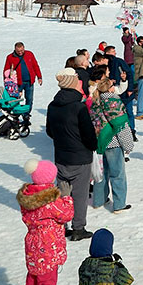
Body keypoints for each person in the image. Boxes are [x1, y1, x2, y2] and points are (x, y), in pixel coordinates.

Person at [18, 159, 74, 285]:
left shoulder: (28, 197)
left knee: (33, 280)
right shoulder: (49, 200)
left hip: (33, 245)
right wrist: (66, 198)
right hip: (48, 247)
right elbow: (66, 215)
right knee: (46, 284)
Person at [46, 68, 97, 241]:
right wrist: (91, 145)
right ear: (72, 83)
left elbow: (49, 131)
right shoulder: (79, 107)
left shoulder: (53, 106)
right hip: (80, 158)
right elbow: (89, 136)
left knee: (62, 192)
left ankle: (62, 225)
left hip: (61, 156)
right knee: (80, 195)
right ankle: (78, 228)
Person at [88, 67, 132, 214]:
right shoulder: (113, 101)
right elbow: (121, 125)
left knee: (101, 173)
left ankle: (99, 200)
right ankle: (119, 204)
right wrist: (128, 145)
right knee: (117, 174)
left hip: (100, 142)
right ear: (110, 87)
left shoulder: (95, 100)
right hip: (113, 143)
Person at [4, 42, 43, 111]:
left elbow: (35, 66)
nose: (20, 53)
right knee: (15, 100)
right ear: (15, 50)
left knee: (29, 99)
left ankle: (26, 116)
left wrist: (39, 77)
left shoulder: (29, 54)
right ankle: (16, 116)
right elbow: (6, 71)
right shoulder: (10, 57)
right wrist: (7, 83)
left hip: (29, 82)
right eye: (18, 51)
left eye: (21, 51)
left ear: (24, 48)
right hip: (17, 84)